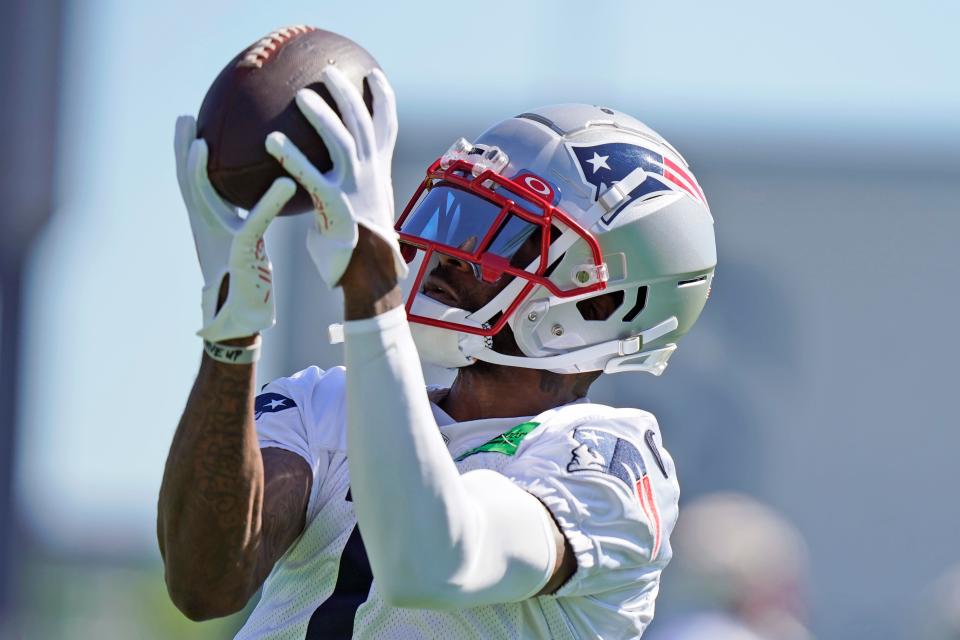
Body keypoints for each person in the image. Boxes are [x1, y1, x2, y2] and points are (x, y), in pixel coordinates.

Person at [157, 66, 716, 639]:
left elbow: (430, 560)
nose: (449, 255)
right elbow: (206, 583)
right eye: (457, 217)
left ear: (599, 302)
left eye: (495, 233)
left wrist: (369, 293)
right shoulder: (326, 403)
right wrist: (231, 336)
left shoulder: (605, 461)